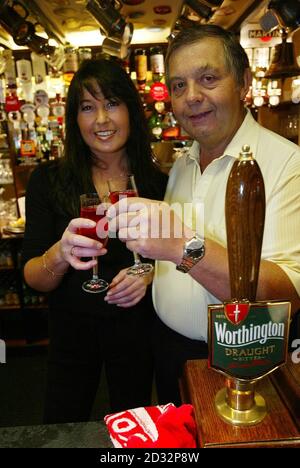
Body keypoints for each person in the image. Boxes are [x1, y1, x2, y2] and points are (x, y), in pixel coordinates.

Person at [107, 24, 300, 406]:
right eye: (178, 86)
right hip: (169, 351)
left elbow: (286, 297)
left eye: (208, 78)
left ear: (244, 82)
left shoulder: (286, 164)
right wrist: (150, 275)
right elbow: (180, 259)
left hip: (239, 364)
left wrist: (182, 247)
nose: (191, 97)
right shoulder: (184, 161)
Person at [22, 57, 168, 423]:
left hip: (136, 330)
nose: (102, 120)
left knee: (134, 427)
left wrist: (150, 274)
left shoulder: (157, 184)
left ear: (131, 112)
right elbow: (33, 278)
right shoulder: (48, 181)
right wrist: (59, 254)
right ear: (75, 119)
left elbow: (177, 256)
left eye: (112, 104)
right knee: (62, 425)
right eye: (88, 107)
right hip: (71, 331)